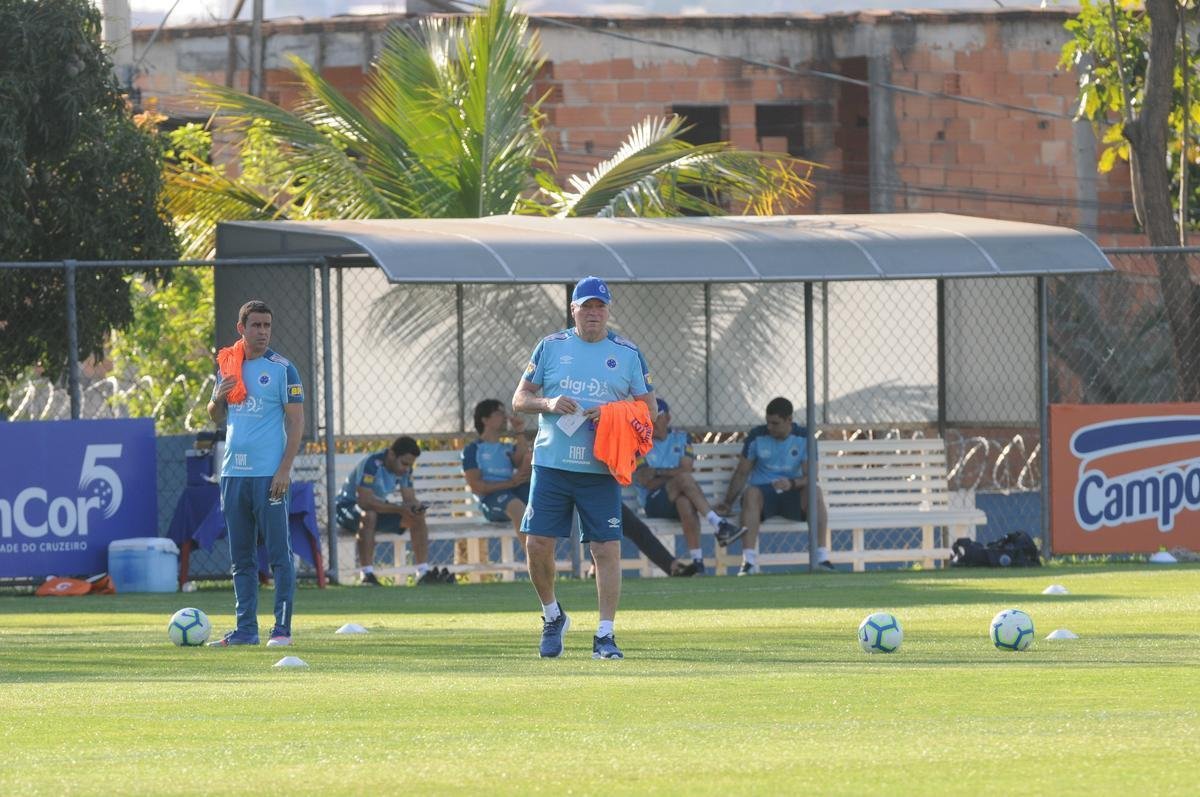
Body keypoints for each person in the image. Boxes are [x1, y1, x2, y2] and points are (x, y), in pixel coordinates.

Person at [512, 275, 656, 660]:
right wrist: (548, 403)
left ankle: (605, 635)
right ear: (573, 309)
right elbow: (520, 399)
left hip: (601, 467)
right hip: (552, 464)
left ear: (608, 311)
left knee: (605, 549)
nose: (593, 313)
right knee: (537, 544)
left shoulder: (627, 353)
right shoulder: (551, 346)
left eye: (600, 306)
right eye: (586, 306)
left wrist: (611, 413)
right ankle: (552, 616)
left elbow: (650, 409)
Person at [207, 299, 304, 647]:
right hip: (233, 474)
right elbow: (216, 416)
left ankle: (281, 629)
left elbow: (296, 422)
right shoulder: (229, 364)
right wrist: (218, 398)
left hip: (268, 476)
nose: (263, 332)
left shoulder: (283, 369)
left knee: (279, 555)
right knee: (241, 558)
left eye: (267, 326)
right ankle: (246, 629)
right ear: (241, 329)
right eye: (256, 326)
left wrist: (284, 470)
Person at [715, 396, 832, 576]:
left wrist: (791, 483)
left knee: (814, 491)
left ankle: (822, 558)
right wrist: (728, 502)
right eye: (768, 422)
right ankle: (748, 562)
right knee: (751, 493)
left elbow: (811, 476)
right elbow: (741, 473)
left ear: (789, 420)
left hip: (792, 492)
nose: (769, 427)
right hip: (763, 495)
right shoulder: (757, 436)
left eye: (775, 423)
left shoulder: (804, 437)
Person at [634, 397, 746, 574]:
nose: (652, 422)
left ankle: (698, 561)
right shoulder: (639, 441)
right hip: (653, 503)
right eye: (648, 418)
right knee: (684, 480)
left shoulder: (681, 437)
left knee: (684, 501)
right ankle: (719, 524)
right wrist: (673, 475)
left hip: (676, 497)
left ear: (668, 418)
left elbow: (686, 468)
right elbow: (646, 481)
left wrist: (657, 471)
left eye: (657, 417)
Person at [334, 436, 446, 586]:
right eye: (404, 463)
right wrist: (400, 509)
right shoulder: (372, 463)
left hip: (377, 509)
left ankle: (423, 573)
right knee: (369, 515)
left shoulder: (405, 469)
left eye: (410, 465)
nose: (406, 469)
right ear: (392, 455)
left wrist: (416, 508)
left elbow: (409, 498)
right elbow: (364, 501)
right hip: (348, 509)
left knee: (417, 518)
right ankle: (367, 575)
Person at [462, 399, 531, 543]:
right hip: (490, 500)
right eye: (500, 413)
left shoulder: (507, 448)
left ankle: (544, 554)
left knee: (542, 504)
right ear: (485, 420)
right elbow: (477, 487)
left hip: (513, 492)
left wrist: (519, 430)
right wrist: (511, 483)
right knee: (517, 507)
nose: (505, 417)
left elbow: (524, 460)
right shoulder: (473, 450)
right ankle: (533, 557)